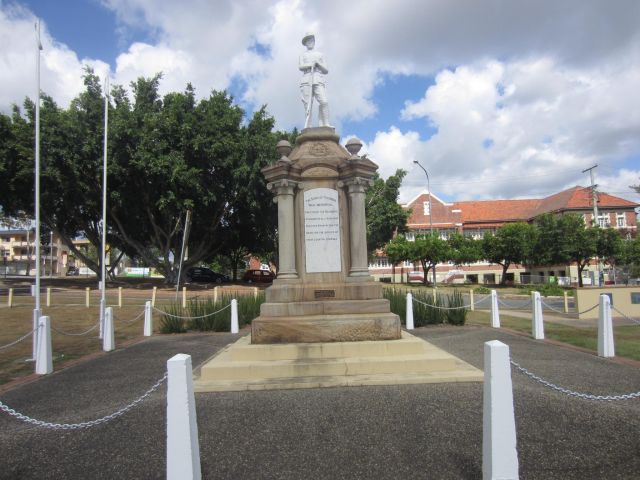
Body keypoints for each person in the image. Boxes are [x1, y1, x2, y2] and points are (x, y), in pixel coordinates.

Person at [299, 33, 330, 128]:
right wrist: (309, 65)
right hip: (307, 79)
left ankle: (325, 123)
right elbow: (300, 67)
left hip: (318, 78)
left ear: (314, 41)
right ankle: (308, 126)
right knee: (308, 105)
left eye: (311, 40)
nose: (310, 42)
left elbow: (326, 70)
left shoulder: (320, 55)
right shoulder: (302, 55)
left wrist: (317, 63)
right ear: (305, 44)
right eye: (308, 41)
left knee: (324, 102)